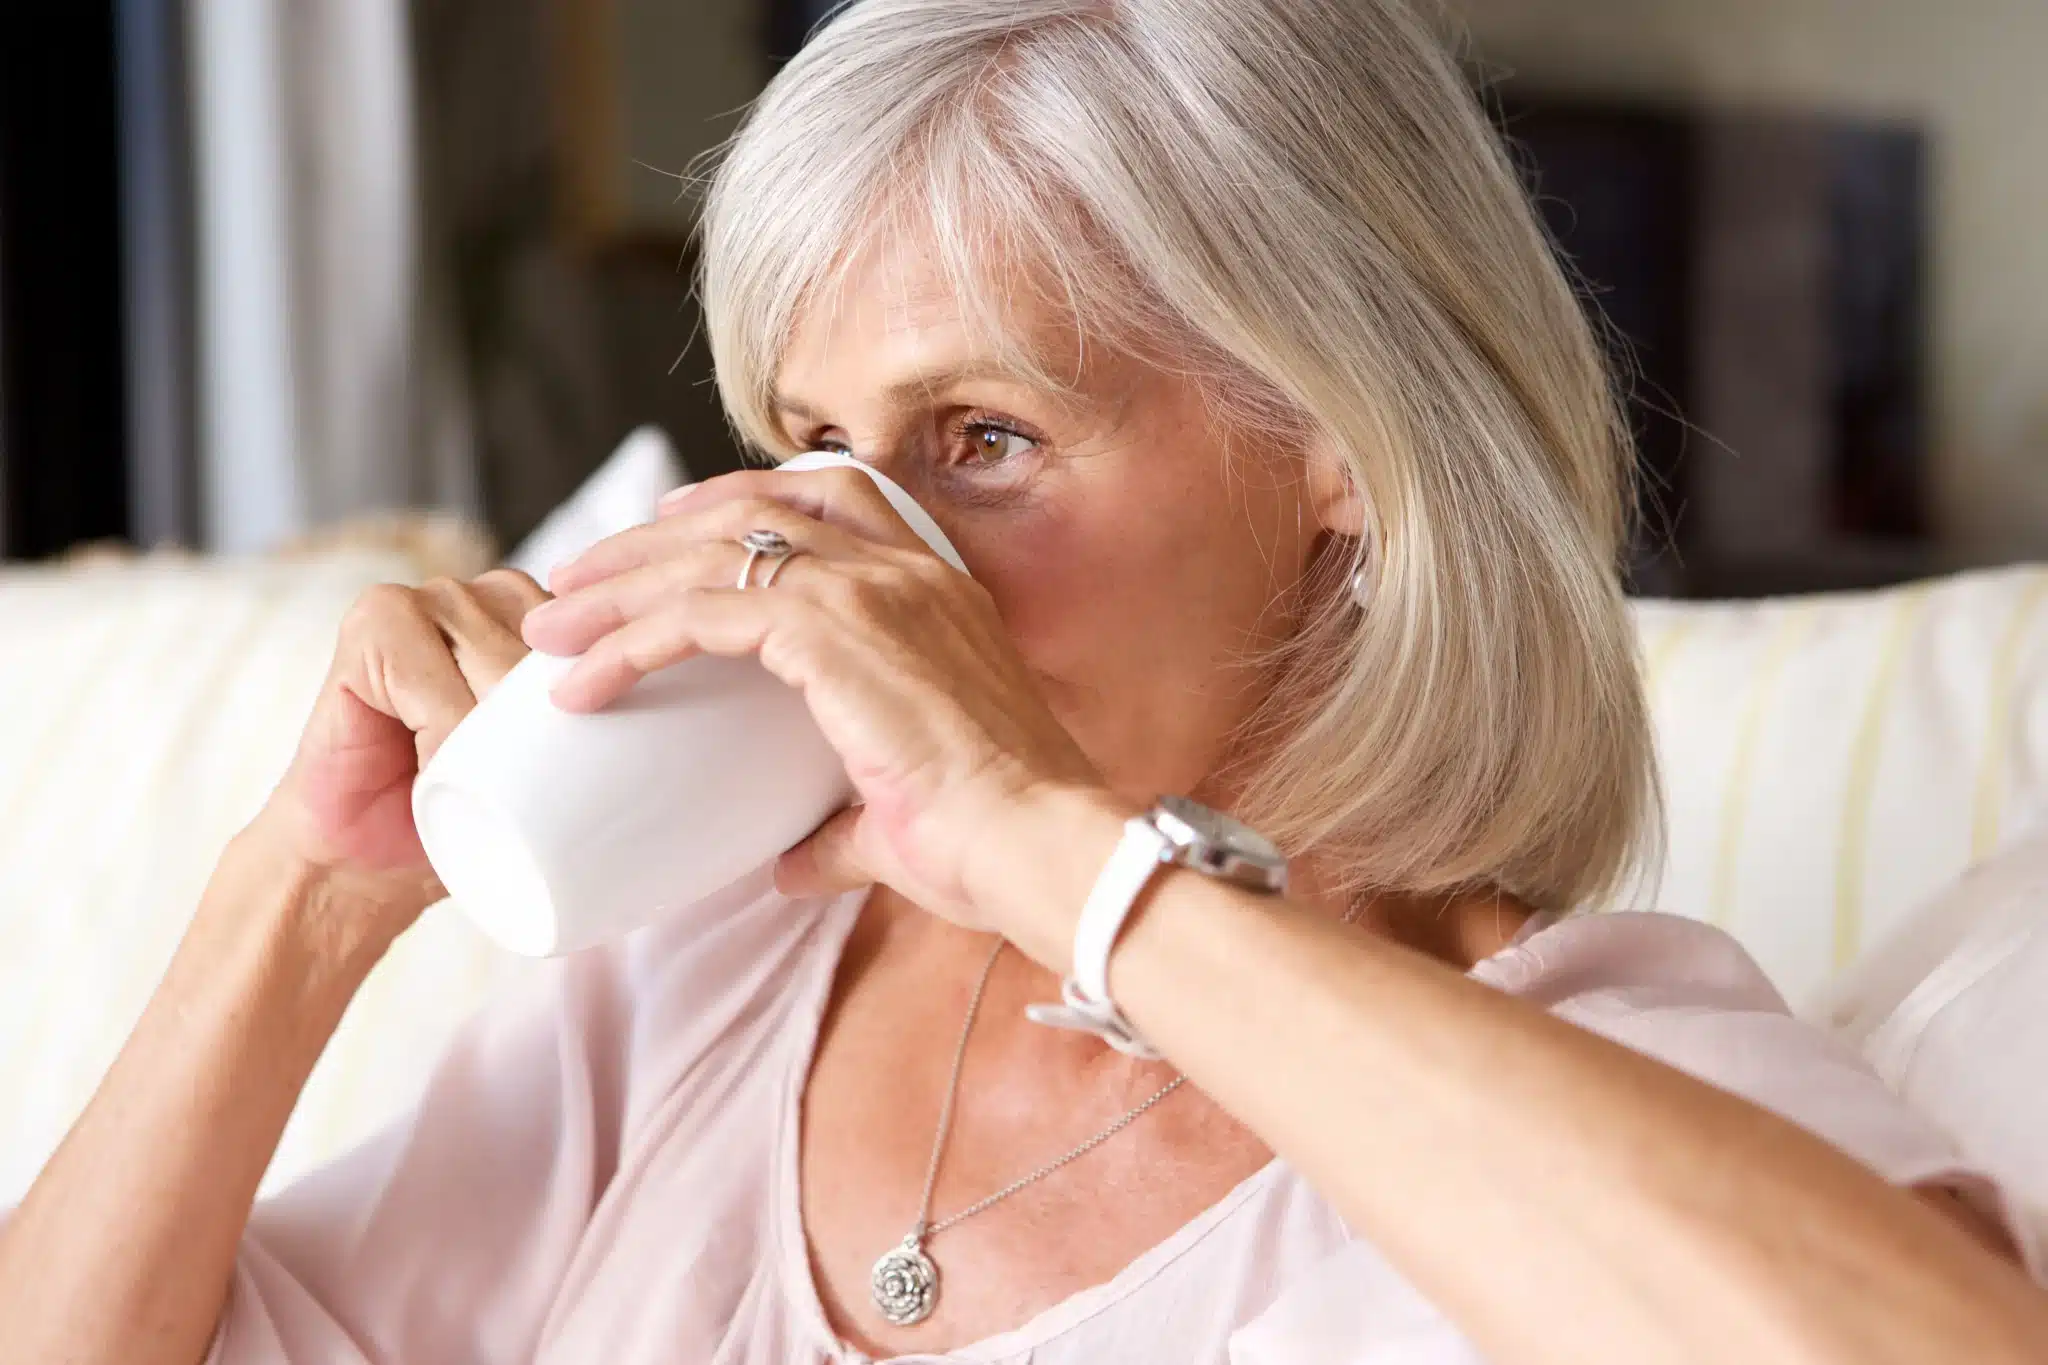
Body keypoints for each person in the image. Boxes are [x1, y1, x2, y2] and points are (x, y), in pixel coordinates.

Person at [3, 1, 2043, 1361]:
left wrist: (1064, 856)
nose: (853, 567)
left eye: (983, 439)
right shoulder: (705, 994)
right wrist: (297, 906)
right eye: (818, 444)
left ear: (1342, 450)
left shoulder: (1567, 1071)